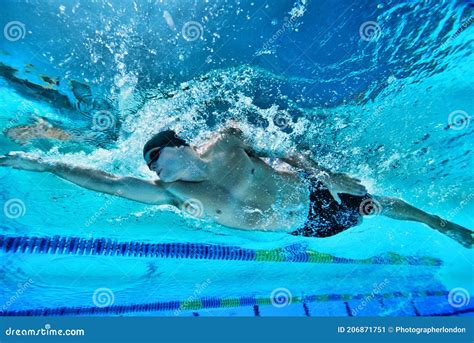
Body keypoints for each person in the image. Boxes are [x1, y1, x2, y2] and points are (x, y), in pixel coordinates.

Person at [0, 127, 472, 248]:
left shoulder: (225, 145)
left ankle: (442, 223)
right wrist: (43, 164)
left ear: (175, 147)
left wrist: (312, 166)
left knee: (379, 202)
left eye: (154, 161)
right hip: (306, 230)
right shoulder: (174, 193)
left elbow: (274, 142)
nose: (151, 172)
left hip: (318, 196)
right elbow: (104, 181)